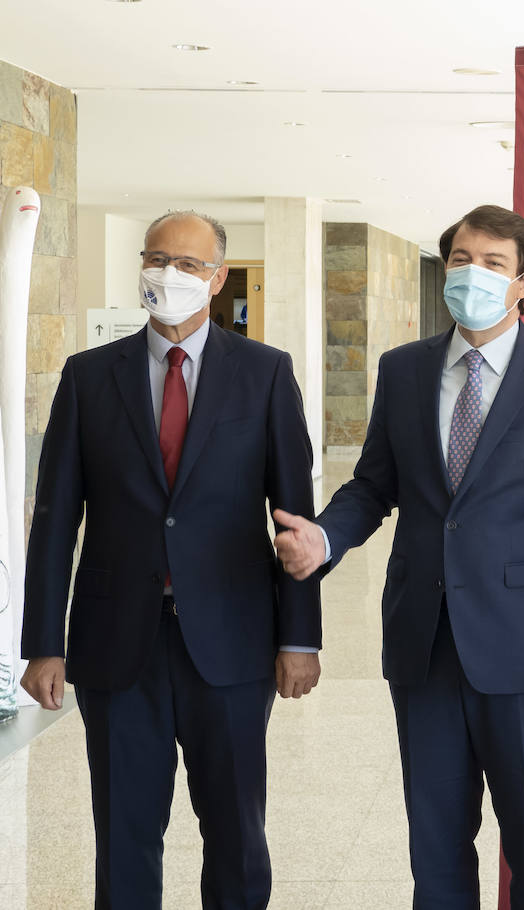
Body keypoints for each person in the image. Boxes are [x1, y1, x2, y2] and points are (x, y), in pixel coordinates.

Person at [271, 205, 524, 909]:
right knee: (435, 854)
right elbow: (373, 487)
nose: (471, 274)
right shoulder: (404, 370)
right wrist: (326, 538)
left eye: (492, 263)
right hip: (422, 645)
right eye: (460, 259)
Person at [20, 210, 321, 909]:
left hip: (233, 645)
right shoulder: (89, 376)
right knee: (124, 837)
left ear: (217, 279)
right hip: (115, 646)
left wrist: (299, 638)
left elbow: (294, 520)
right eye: (157, 259)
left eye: (187, 265)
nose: (168, 275)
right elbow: (55, 518)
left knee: (237, 836)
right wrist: (42, 644)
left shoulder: (266, 374)